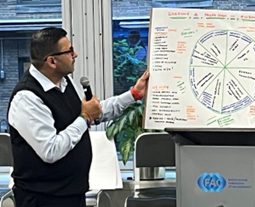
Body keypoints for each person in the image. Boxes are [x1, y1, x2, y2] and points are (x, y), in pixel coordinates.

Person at [7, 27, 149, 207]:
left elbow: (95, 111)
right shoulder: (27, 98)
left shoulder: (65, 82)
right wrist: (86, 117)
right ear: (52, 61)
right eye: (69, 51)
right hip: (42, 199)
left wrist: (134, 94)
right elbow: (51, 150)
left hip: (72, 193)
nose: (76, 54)